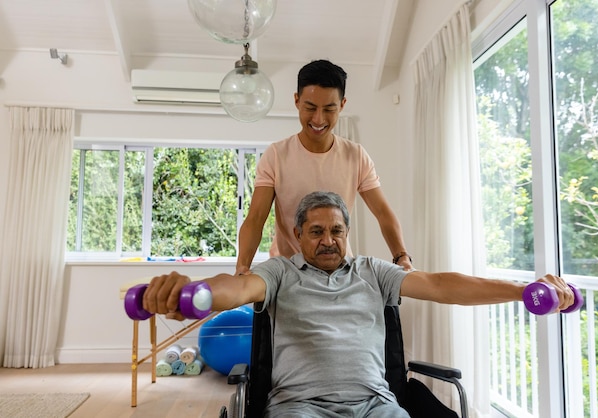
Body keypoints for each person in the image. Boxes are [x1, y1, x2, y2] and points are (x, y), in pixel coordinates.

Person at [144, 191, 575, 418]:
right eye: (315, 231)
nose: (328, 240)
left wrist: (521, 291)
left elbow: (443, 285)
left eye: (336, 230)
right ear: (298, 236)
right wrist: (193, 294)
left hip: (375, 405)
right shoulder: (279, 273)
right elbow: (235, 289)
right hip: (299, 407)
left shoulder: (374, 272)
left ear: (348, 232)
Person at [236, 59, 413, 275]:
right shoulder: (276, 155)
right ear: (297, 101)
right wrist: (242, 266)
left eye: (329, 109)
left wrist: (401, 257)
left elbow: (383, 213)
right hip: (289, 272)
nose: (319, 119)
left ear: (342, 105)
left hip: (341, 274)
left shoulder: (355, 156)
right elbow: (255, 219)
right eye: (310, 107)